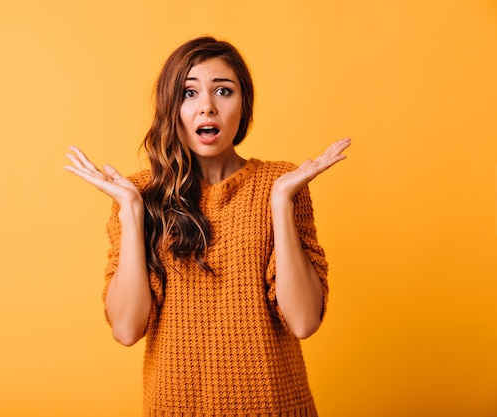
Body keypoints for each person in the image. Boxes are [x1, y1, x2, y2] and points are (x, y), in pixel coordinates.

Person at [65, 36, 350, 416]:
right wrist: (132, 212)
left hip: (276, 406)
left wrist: (280, 202)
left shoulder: (283, 183)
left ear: (244, 105)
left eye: (223, 91)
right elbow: (127, 330)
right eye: (189, 93)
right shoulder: (137, 193)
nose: (207, 107)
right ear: (171, 107)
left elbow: (303, 321)